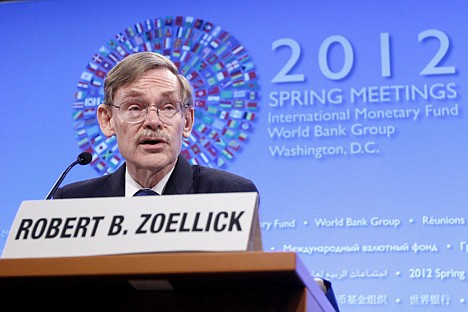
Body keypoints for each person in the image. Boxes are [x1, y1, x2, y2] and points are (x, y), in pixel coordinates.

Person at [53, 51, 339, 311]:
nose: (153, 121)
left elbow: (244, 295)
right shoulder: (73, 202)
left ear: (187, 121)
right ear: (106, 120)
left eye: (167, 107)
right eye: (135, 107)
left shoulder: (228, 195)